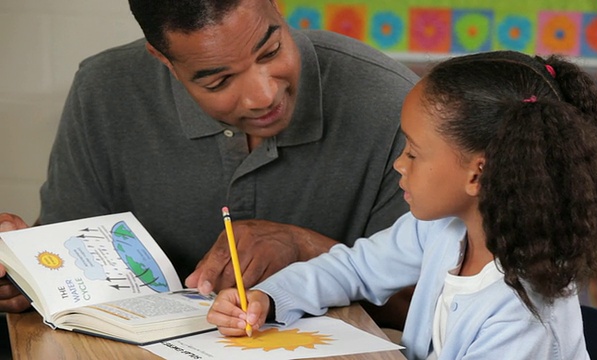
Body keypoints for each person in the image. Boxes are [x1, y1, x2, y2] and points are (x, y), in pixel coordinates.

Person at [0, 0, 419, 330]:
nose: (262, 96)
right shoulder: (105, 91)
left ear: (275, 5)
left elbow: (432, 304)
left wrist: (308, 248)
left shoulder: (392, 102)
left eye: (270, 51)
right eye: (217, 81)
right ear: (163, 59)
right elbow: (64, 275)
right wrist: (22, 276)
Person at [207, 50, 597, 360]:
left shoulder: (522, 318)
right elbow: (353, 267)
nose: (398, 164)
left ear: (477, 174)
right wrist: (270, 297)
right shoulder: (443, 228)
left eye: (415, 153)